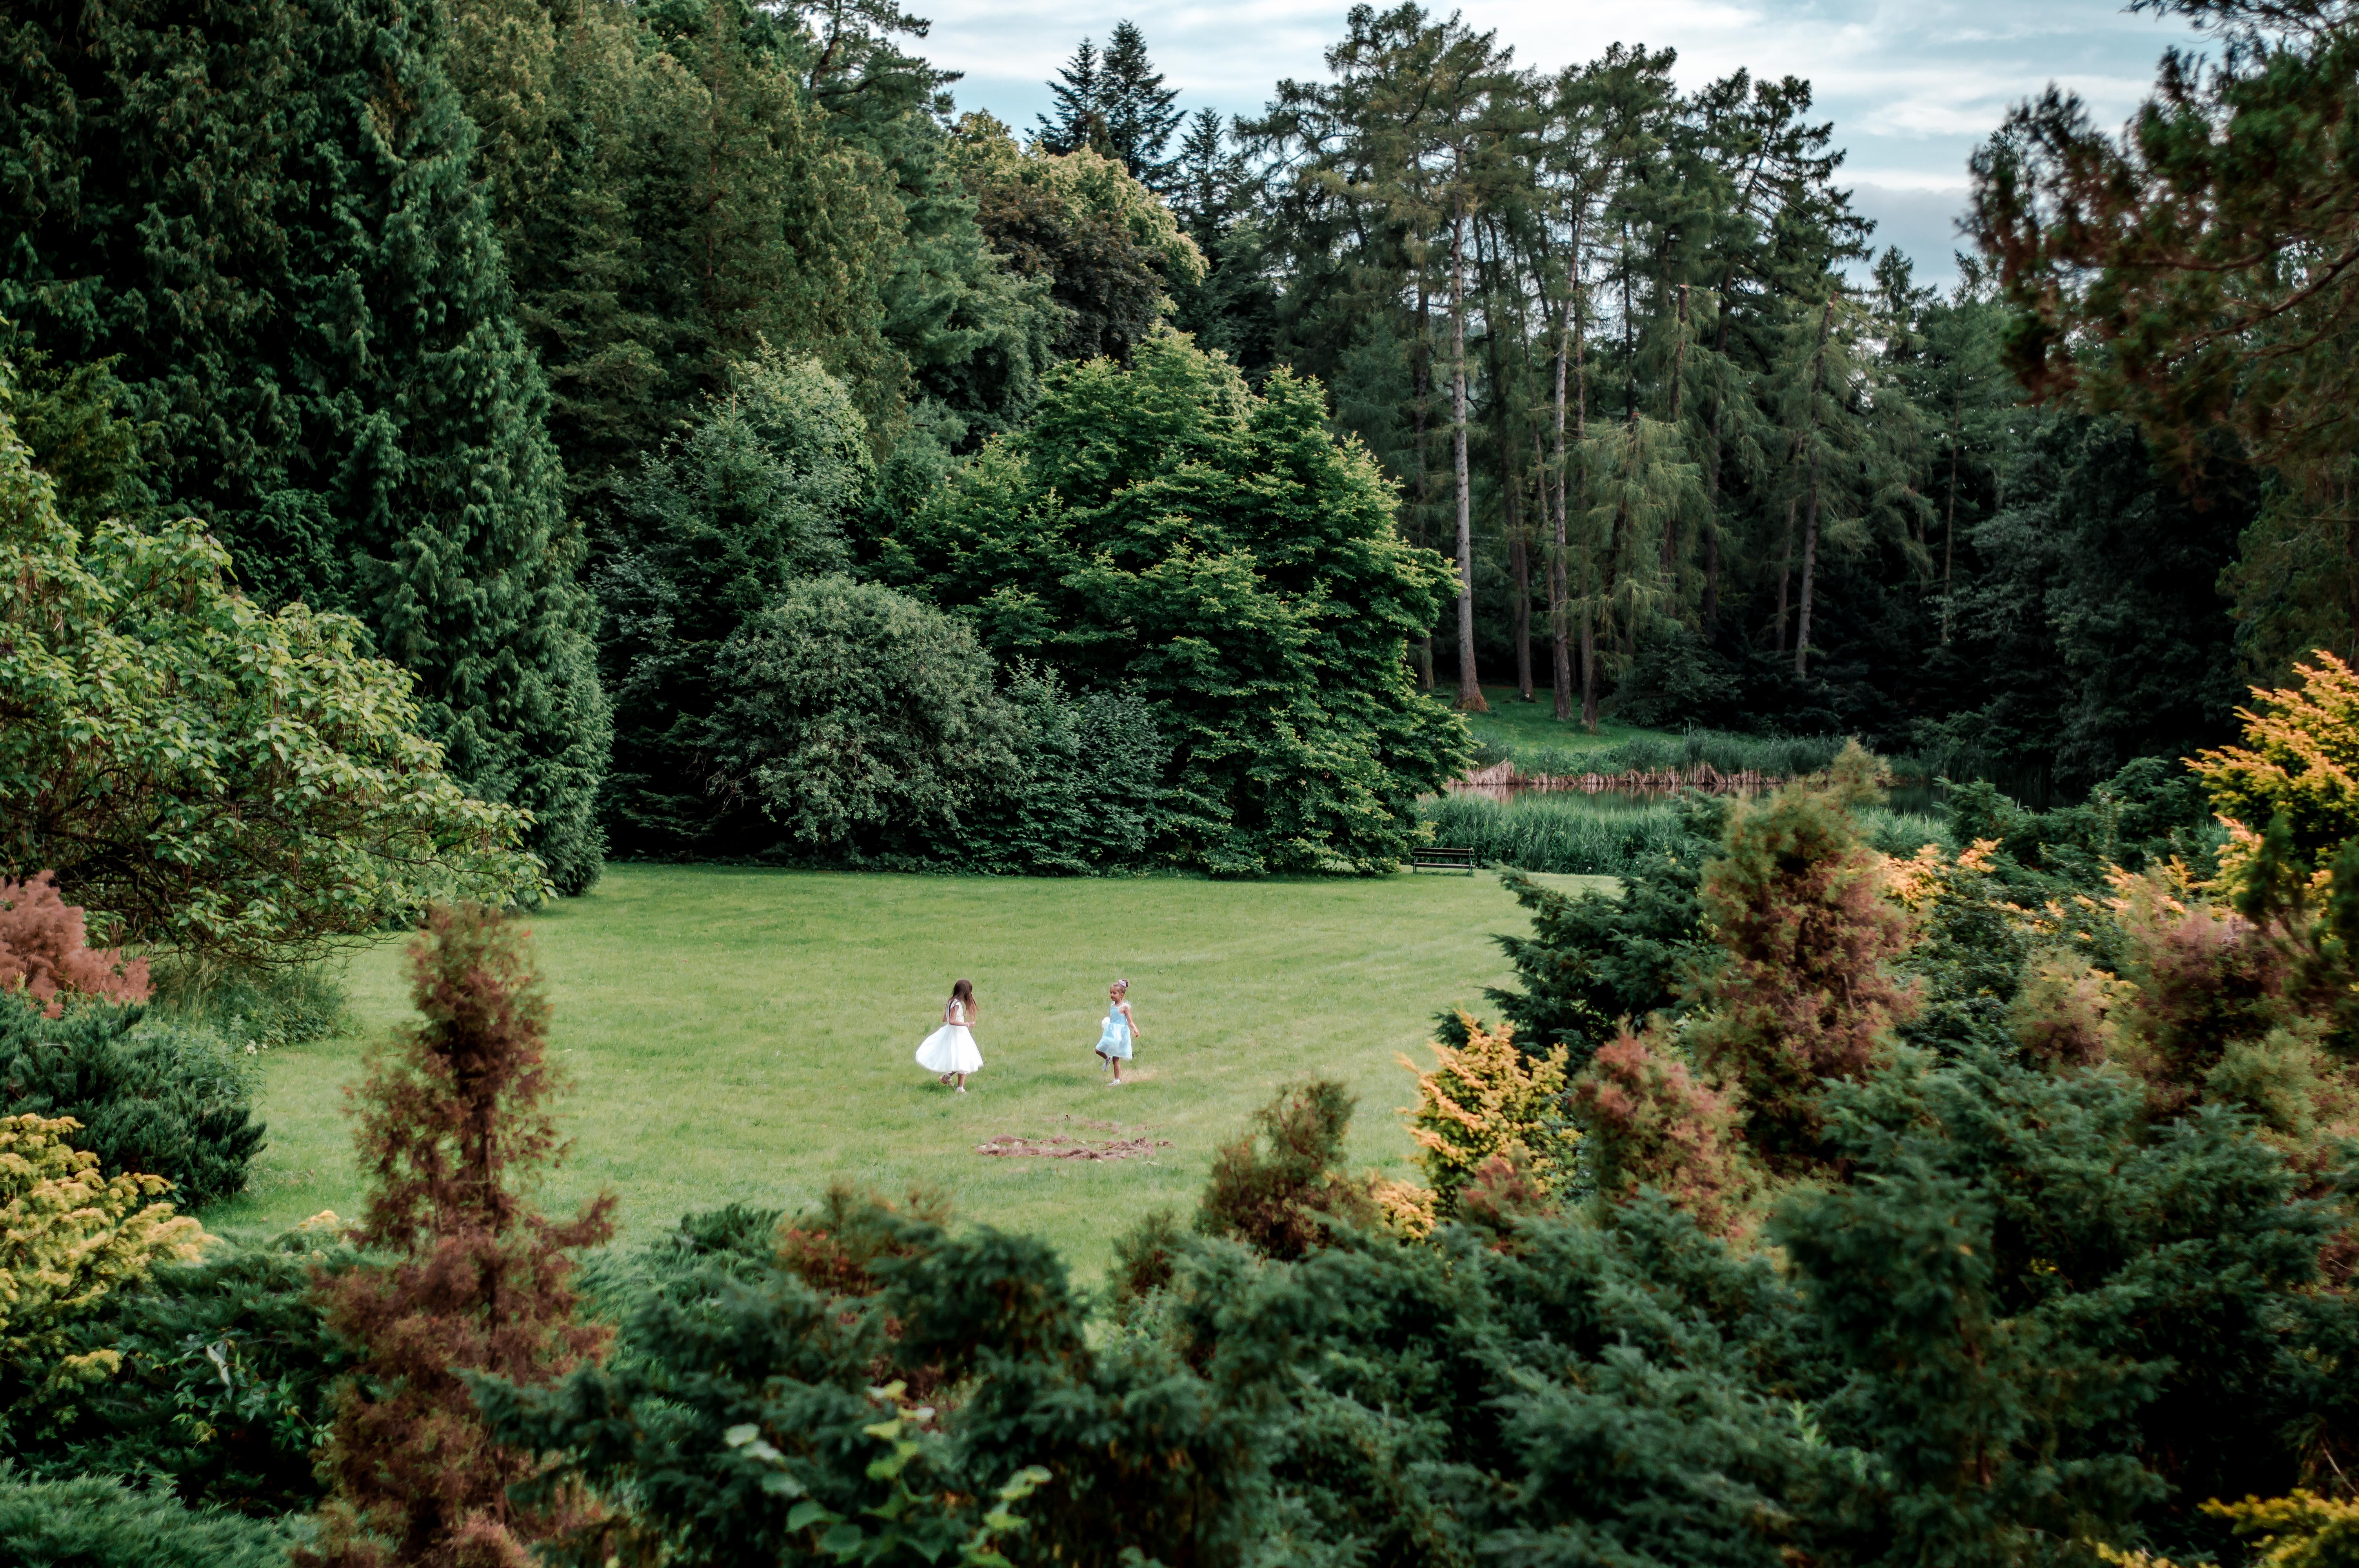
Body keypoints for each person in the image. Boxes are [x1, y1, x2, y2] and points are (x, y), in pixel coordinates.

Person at [916, 979, 983, 1092]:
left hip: (953, 1033)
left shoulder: (951, 1001)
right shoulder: (957, 1004)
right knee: (964, 1058)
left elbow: (945, 1019)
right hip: (959, 1034)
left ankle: (947, 1077)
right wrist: (967, 1024)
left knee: (960, 1059)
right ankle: (960, 1088)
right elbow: (951, 1021)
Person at [1094, 978, 1140, 1085]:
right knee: (1098, 1049)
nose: (1112, 995)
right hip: (1111, 1032)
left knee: (1116, 1058)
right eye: (1111, 993)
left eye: (1115, 993)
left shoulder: (1125, 1007)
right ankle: (1107, 1058)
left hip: (1119, 1035)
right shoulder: (1113, 1006)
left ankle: (1117, 1080)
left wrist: (1135, 1029)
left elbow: (1130, 1021)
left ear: (1122, 995)